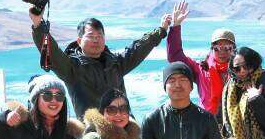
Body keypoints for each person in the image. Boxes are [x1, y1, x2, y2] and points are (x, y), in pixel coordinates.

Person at [164, 0, 265, 114]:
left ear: (234, 49)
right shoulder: (201, 70)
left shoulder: (245, 71)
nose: (222, 51)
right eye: (218, 47)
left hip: (238, 127)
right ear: (212, 49)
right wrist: (176, 27)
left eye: (227, 47)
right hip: (209, 127)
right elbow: (175, 57)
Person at [30, 7, 173, 117]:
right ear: (79, 41)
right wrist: (38, 25)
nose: (96, 40)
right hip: (95, 136)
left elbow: (138, 49)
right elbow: (52, 53)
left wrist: (160, 31)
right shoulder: (72, 69)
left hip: (123, 128)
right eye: (91, 36)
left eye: (100, 36)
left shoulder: (115, 63)